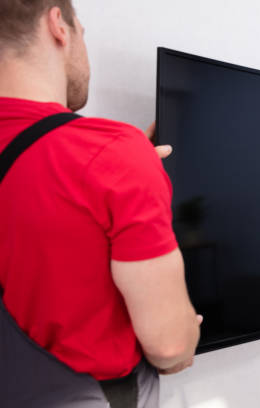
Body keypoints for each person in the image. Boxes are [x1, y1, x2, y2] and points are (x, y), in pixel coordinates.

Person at [0, 1, 201, 407]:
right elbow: (169, 346)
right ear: (58, 25)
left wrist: (117, 174)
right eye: (84, 34)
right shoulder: (112, 154)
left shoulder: (106, 159)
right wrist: (123, 167)